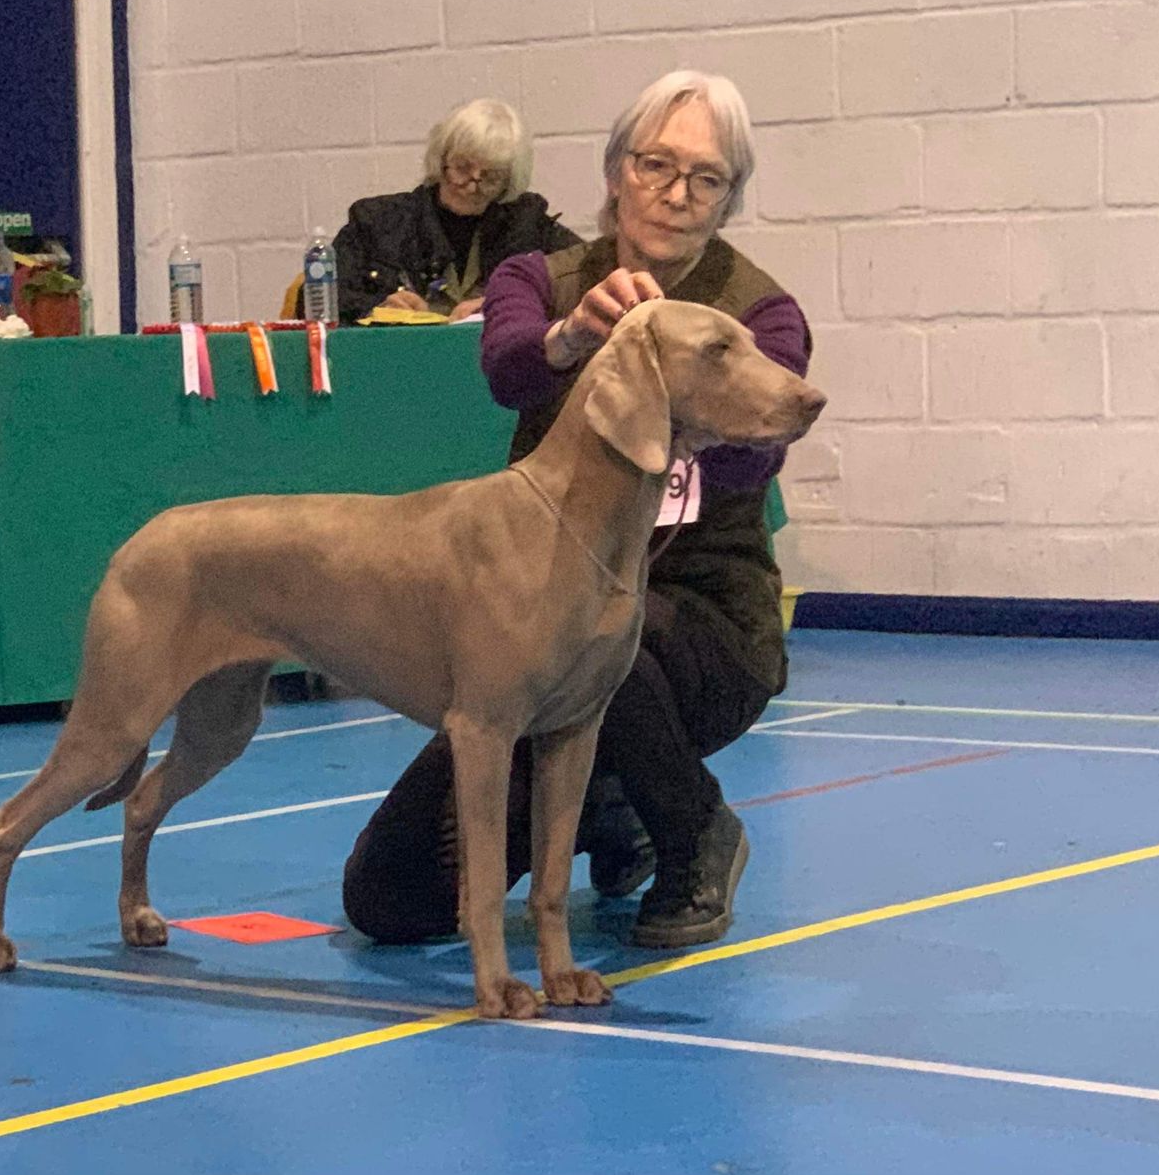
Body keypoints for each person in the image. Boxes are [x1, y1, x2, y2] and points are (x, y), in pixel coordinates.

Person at [341, 70, 814, 950]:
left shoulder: (761, 313)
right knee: (389, 897)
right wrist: (578, 339)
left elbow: (759, 453)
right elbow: (508, 367)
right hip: (529, 625)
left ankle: (696, 828)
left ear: (729, 198)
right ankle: (612, 805)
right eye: (655, 164)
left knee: (607, 632)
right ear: (615, 171)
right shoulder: (541, 277)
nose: (676, 192)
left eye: (706, 177)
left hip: (701, 626)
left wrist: (688, 394)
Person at [311, 98, 581, 324]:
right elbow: (316, 302)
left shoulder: (528, 225)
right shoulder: (377, 222)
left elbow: (589, 275)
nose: (471, 186)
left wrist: (505, 303)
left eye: (490, 177)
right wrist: (376, 307)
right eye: (462, 168)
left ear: (509, 181)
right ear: (441, 161)